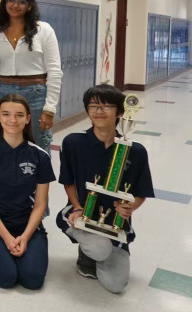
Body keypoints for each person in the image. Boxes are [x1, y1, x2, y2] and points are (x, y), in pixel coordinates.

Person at [56, 84, 154, 294]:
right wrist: (76, 207)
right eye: (94, 106)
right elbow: (68, 182)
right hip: (80, 214)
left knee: (116, 285)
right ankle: (89, 253)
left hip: (116, 223)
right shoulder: (73, 143)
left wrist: (130, 208)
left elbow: (141, 192)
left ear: (119, 112)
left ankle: (104, 253)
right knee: (100, 248)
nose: (99, 111)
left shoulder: (135, 151)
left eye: (107, 106)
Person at [0, 94, 55, 289]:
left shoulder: (40, 156)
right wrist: (7, 238)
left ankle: (17, 251)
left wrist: (25, 237)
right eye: (6, 114)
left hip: (27, 225)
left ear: (28, 118)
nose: (12, 120)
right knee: (6, 278)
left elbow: (40, 204)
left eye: (19, 115)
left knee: (32, 280)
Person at [0, 0, 62, 152]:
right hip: (2, 92)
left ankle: (40, 179)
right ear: (5, 2)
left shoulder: (43, 30)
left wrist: (50, 109)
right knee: (4, 142)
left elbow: (54, 71)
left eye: (22, 1)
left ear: (30, 6)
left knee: (38, 142)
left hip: (35, 93)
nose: (15, 5)